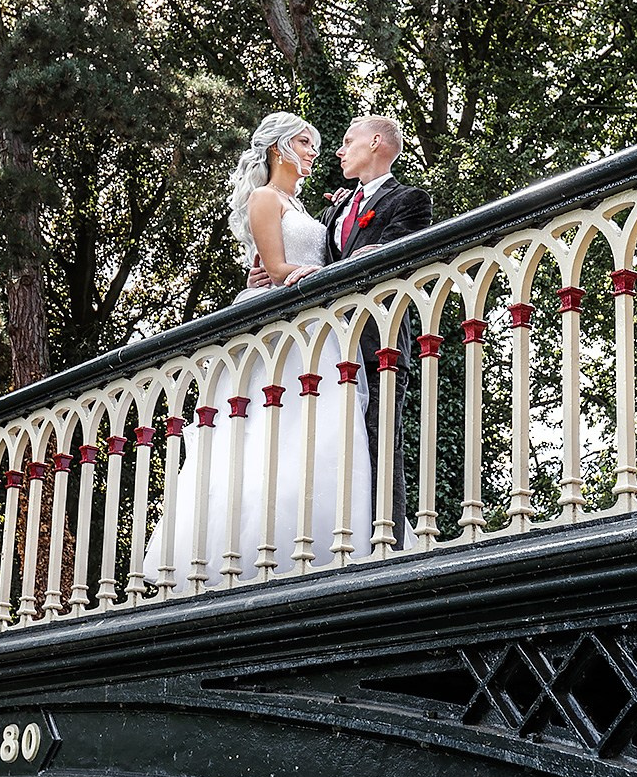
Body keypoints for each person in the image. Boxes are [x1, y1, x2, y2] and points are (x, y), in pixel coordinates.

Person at [143, 112, 371, 588]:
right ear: (278, 148)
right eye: (306, 143)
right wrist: (315, 275)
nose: (313, 152)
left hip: (316, 322)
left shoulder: (304, 207)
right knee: (268, 433)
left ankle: (322, 538)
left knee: (319, 433)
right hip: (280, 325)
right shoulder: (265, 198)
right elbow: (277, 268)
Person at [323, 114, 432, 541]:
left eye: (347, 140)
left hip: (378, 343)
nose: (339, 149)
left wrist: (364, 255)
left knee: (380, 443)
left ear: (375, 142)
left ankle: (388, 543)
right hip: (329, 348)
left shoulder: (409, 199)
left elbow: (395, 258)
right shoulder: (335, 207)